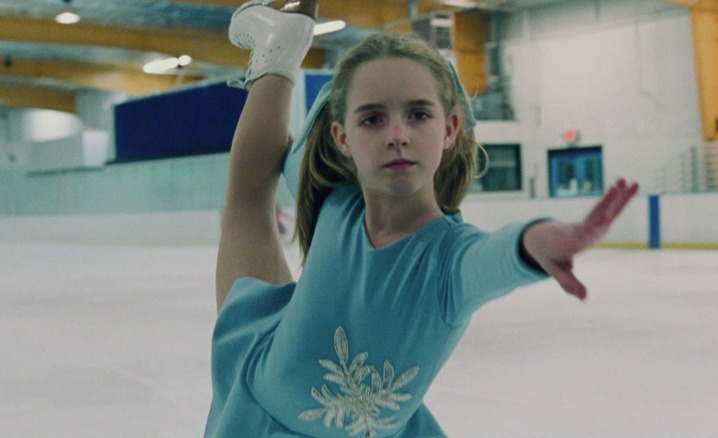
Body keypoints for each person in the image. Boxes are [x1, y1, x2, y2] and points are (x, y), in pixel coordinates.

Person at [206, 1, 640, 437]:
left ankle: (278, 56)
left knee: (249, 197)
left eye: (418, 115)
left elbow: (494, 257)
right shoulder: (335, 203)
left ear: (450, 128)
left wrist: (535, 242)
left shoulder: (450, 262)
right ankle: (279, 51)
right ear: (342, 138)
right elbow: (262, 172)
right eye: (373, 119)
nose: (398, 136)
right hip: (258, 405)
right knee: (248, 202)